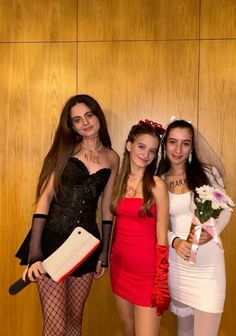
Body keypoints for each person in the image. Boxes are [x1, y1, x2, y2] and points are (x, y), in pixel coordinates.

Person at [15, 94, 119, 336]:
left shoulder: (112, 157)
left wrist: (104, 251)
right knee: (55, 327)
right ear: (71, 126)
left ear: (98, 115)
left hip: (86, 244)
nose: (85, 123)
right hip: (53, 240)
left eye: (89, 115)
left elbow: (106, 208)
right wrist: (35, 250)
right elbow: (45, 197)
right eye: (77, 120)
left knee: (74, 322)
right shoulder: (67, 149)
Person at [157, 119, 232, 336]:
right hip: (178, 263)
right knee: (185, 332)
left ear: (192, 147)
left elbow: (227, 209)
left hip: (208, 267)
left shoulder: (206, 173)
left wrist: (212, 231)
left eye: (185, 143)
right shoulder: (159, 179)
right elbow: (156, 224)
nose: (178, 150)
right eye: (172, 142)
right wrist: (175, 240)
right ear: (165, 145)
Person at [110, 119, 170, 336]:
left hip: (147, 274)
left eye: (152, 151)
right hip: (119, 267)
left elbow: (162, 234)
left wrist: (161, 278)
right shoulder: (117, 181)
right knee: (128, 330)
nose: (146, 154)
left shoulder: (157, 185)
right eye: (141, 147)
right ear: (129, 145)